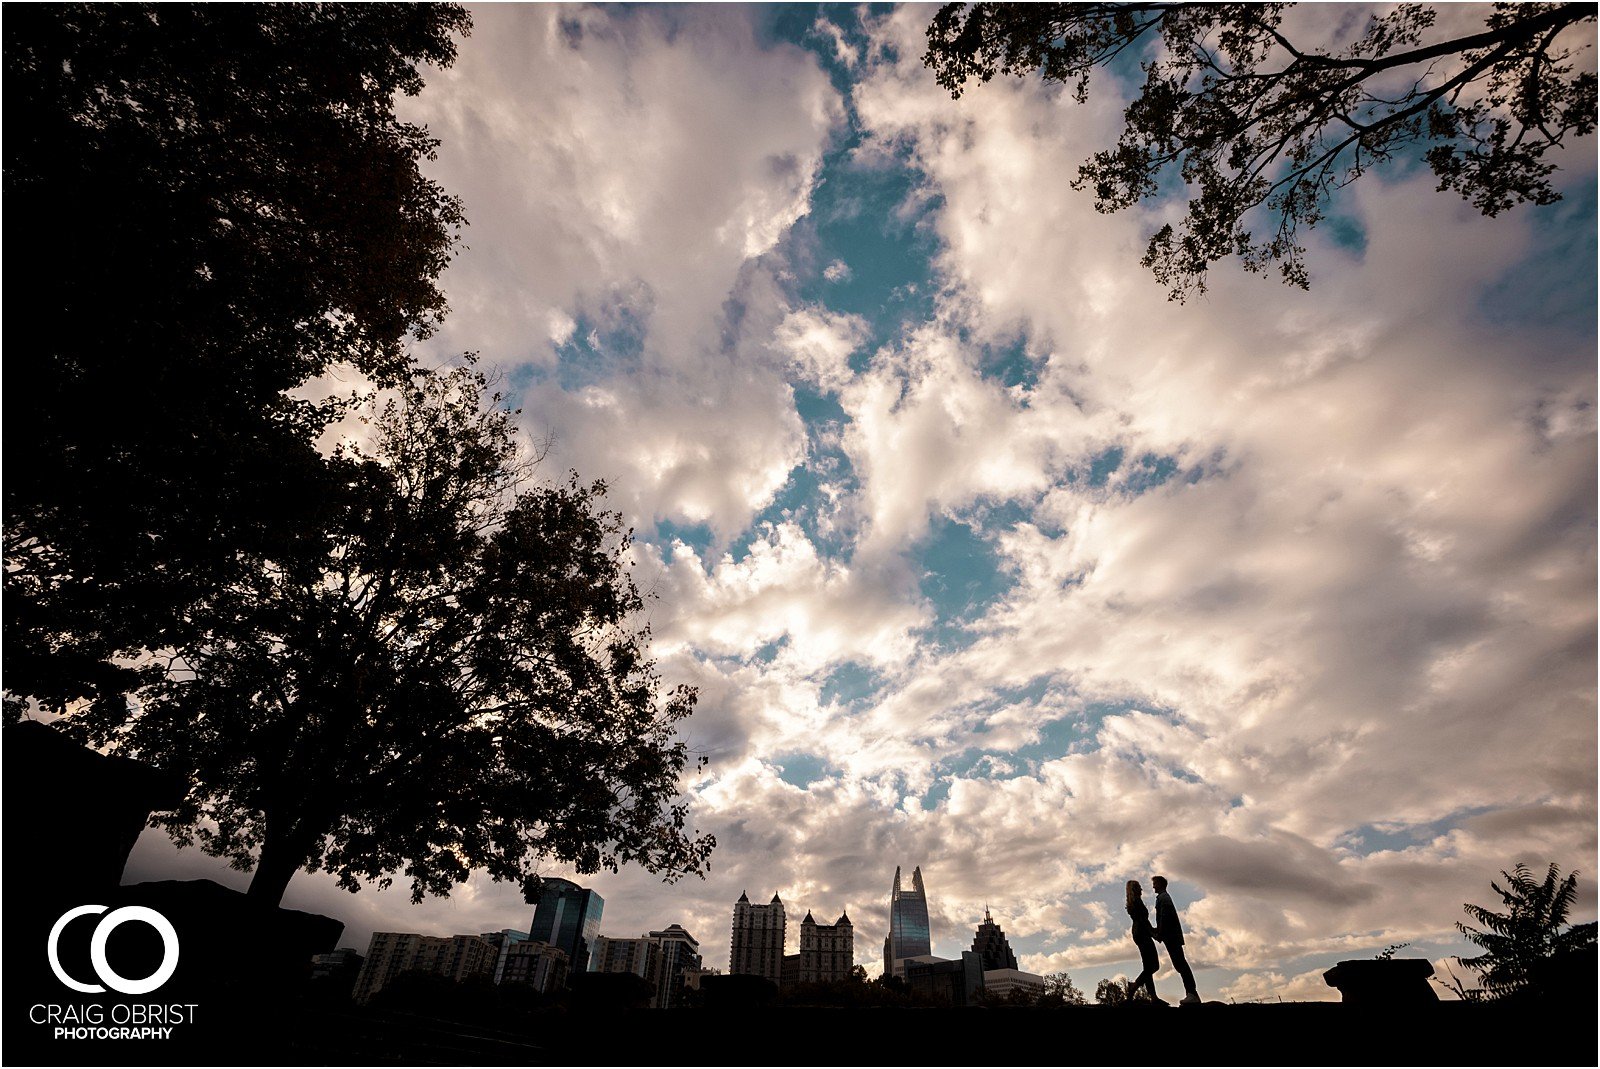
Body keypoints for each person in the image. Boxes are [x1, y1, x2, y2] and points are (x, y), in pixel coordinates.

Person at [1151, 875, 1201, 1005]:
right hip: (1171, 936)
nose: (1153, 886)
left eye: (1155, 883)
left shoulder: (1163, 898)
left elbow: (1165, 917)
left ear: (1161, 884)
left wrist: (1160, 932)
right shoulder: (1163, 898)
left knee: (1181, 964)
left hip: (1171, 936)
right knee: (1180, 964)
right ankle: (1191, 993)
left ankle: (1192, 994)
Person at [1124, 880, 1164, 1004]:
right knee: (1153, 966)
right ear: (1135, 889)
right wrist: (1153, 933)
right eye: (1140, 888)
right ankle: (1134, 986)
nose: (1142, 890)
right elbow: (1143, 922)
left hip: (1139, 933)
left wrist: (1153, 931)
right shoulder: (1137, 902)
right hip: (1142, 933)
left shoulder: (1134, 902)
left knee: (1148, 966)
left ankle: (1153, 997)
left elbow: (1143, 921)